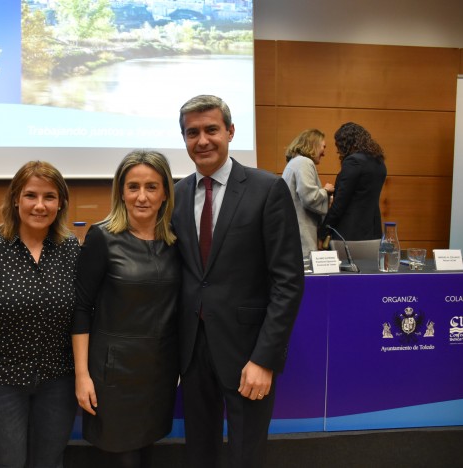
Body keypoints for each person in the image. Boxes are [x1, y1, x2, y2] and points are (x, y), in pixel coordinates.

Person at [172, 95, 305, 467]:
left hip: (248, 353)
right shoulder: (178, 194)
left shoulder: (267, 189)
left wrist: (264, 359)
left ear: (230, 131)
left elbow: (288, 282)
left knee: (246, 453)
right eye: (192, 132)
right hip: (193, 352)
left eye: (211, 129)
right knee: (200, 452)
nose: (202, 140)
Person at [0, 160, 79, 468]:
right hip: (2, 383)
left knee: (48, 463)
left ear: (61, 202)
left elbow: (82, 316)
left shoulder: (71, 249)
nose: (40, 205)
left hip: (58, 382)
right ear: (15, 199)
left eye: (49, 197)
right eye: (31, 195)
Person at [72, 150, 180, 468]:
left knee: (147, 454)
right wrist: (82, 376)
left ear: (164, 193)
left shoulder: (175, 241)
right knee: (123, 459)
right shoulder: (102, 238)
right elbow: (80, 309)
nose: (142, 197)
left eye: (151, 187)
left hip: (158, 373)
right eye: (133, 187)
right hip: (113, 377)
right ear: (121, 191)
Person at [320, 122, 387, 242]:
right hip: (373, 231)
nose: (337, 151)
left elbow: (341, 202)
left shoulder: (353, 161)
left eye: (339, 145)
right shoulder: (379, 162)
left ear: (346, 143)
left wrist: (324, 230)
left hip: (350, 233)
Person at [281, 129, 335, 258]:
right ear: (314, 144)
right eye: (323, 146)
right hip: (302, 235)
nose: (324, 153)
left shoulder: (294, 163)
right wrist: (325, 191)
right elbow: (309, 197)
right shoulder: (304, 162)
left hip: (293, 233)